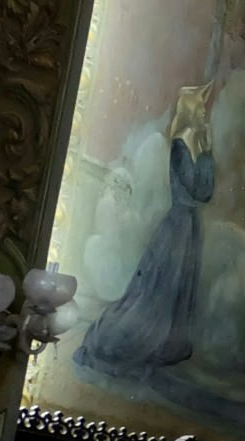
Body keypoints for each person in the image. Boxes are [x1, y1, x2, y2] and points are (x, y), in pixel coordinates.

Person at [78, 84, 217, 375]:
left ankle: (169, 343)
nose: (205, 114)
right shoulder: (180, 144)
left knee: (177, 289)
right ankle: (135, 338)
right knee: (158, 290)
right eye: (201, 109)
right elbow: (193, 189)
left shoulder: (199, 145)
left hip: (190, 227)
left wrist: (208, 153)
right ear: (191, 110)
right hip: (177, 226)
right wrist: (204, 155)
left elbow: (206, 192)